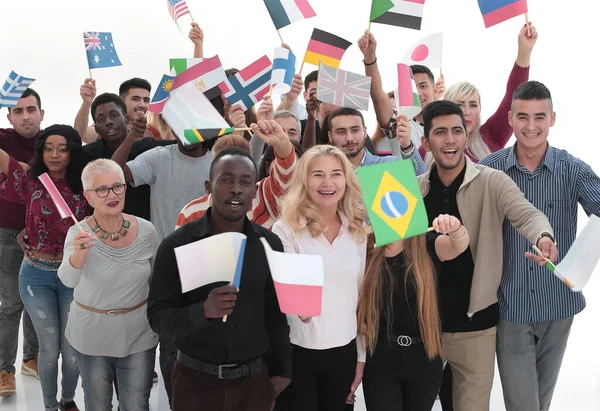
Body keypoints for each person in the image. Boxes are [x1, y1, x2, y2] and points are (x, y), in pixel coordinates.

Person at [417, 100, 558, 411]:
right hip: (422, 326)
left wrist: (544, 236)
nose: (450, 139)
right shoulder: (412, 190)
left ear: (467, 137)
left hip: (476, 327)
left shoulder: (492, 181)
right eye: (440, 132)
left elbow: (529, 215)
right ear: (426, 141)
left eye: (457, 131)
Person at [479, 81, 600, 411]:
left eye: (539, 117)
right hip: (510, 307)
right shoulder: (490, 170)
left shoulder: (572, 170)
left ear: (552, 119)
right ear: (511, 118)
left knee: (538, 405)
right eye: (522, 117)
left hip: (558, 306)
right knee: (523, 405)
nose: (531, 126)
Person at [147, 147, 292, 411]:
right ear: (209, 186)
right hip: (195, 384)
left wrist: (283, 369)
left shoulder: (269, 244)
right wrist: (202, 311)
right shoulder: (177, 245)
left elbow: (275, 314)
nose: (236, 188)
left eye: (246, 182)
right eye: (226, 180)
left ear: (254, 192)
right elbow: (158, 318)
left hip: (253, 384)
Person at [272, 145, 369, 411]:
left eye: (336, 174)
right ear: (305, 180)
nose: (328, 183)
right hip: (297, 353)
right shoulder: (285, 229)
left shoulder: (357, 228)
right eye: (318, 175)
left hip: (344, 352)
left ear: (346, 180)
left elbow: (360, 299)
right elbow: (290, 302)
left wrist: (361, 356)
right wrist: (299, 307)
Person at [0, 124, 91, 411]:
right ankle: (50, 406)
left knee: (73, 352)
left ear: (73, 152)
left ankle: (68, 400)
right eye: (48, 148)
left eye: (62, 149)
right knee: (49, 350)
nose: (54, 154)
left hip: (74, 275)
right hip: (35, 275)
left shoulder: (87, 184)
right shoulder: (31, 179)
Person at [58, 159, 158, 411]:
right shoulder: (77, 233)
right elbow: (68, 280)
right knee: (98, 403)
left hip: (138, 332)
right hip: (93, 335)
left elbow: (158, 280)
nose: (111, 195)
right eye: (101, 189)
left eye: (117, 187)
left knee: (136, 403)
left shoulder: (147, 230)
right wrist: (78, 256)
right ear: (88, 197)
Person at [358, 215, 470, 411]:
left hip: (424, 356)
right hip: (380, 356)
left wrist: (455, 227)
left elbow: (458, 245)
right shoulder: (367, 247)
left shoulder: (427, 245)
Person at [438, 23, 538, 164]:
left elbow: (513, 97)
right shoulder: (432, 143)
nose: (467, 112)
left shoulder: (490, 134)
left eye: (473, 105)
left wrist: (524, 51)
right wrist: (406, 147)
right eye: (460, 104)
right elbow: (404, 180)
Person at [177, 120, 297, 230]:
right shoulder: (190, 213)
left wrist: (283, 145)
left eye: (244, 180)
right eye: (226, 179)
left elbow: (286, 178)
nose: (236, 189)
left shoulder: (263, 198)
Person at [0, 89, 43, 396]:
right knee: (10, 305)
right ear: (9, 116)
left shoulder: (51, 142)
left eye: (31, 109)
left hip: (45, 233)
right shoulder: (2, 139)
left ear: (42, 112)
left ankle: (32, 358)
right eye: (18, 111)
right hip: (6, 232)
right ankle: (4, 370)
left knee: (36, 302)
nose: (26, 116)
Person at [81, 93, 175, 221]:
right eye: (101, 120)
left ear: (127, 119)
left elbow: (182, 145)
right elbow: (113, 173)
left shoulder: (149, 147)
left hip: (146, 230)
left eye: (114, 115)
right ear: (96, 128)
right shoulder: (88, 155)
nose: (108, 122)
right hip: (105, 232)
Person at [359, 31, 444, 155]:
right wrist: (370, 57)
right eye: (413, 88)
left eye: (423, 86)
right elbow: (377, 95)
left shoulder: (446, 124)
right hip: (405, 175)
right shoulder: (399, 122)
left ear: (434, 90)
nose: (419, 93)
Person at [327, 107, 426, 175]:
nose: (349, 138)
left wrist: (407, 146)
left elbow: (423, 184)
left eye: (355, 130)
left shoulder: (388, 165)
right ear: (330, 136)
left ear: (365, 131)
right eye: (341, 132)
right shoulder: (323, 171)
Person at [74, 77, 154, 143]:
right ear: (122, 102)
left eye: (146, 100)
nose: (142, 105)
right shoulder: (109, 126)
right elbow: (81, 134)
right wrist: (86, 103)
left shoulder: (154, 130)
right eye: (135, 99)